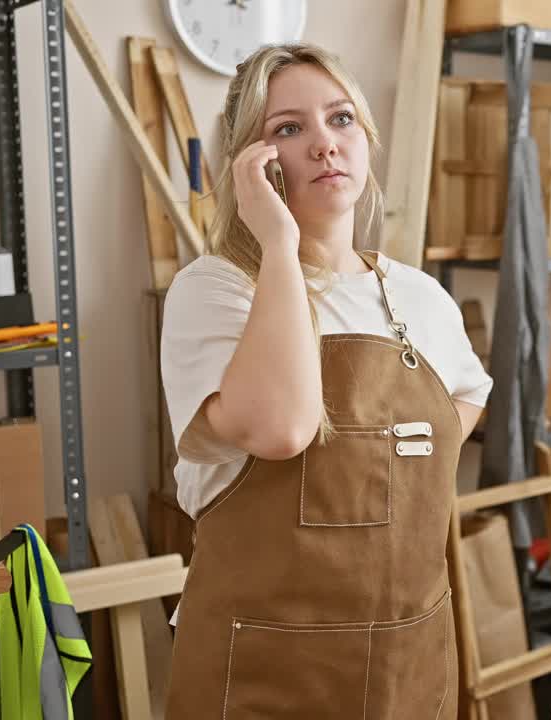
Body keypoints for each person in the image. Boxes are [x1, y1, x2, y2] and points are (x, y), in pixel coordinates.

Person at [159, 44, 491, 718]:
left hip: (407, 662)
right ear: (251, 164)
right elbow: (282, 429)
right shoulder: (214, 291)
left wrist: (403, 456)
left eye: (341, 120)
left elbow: (467, 395)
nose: (323, 145)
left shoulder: (420, 298)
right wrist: (278, 245)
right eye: (288, 129)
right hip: (262, 678)